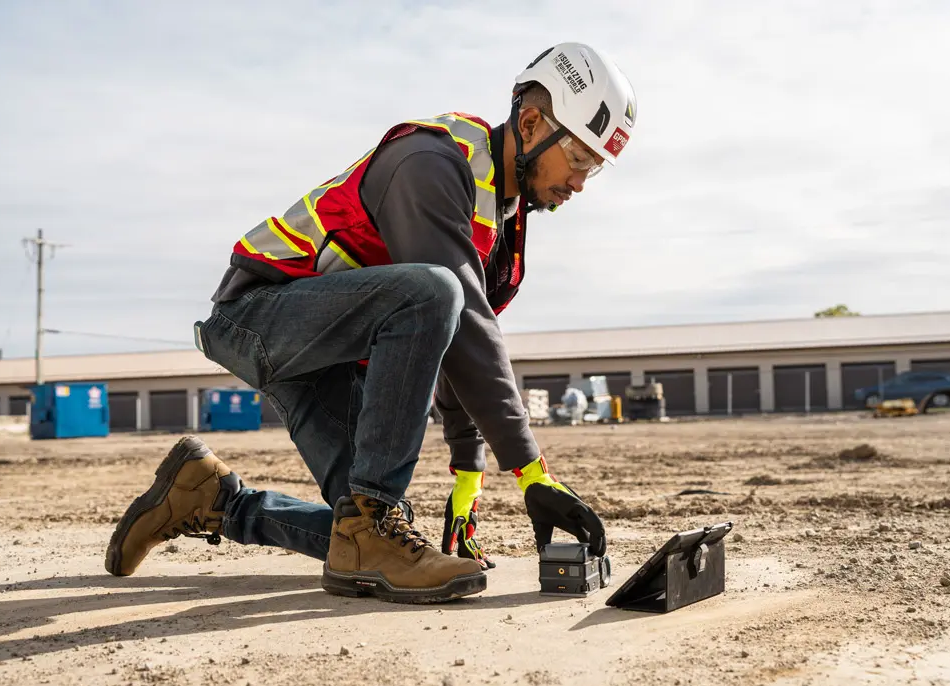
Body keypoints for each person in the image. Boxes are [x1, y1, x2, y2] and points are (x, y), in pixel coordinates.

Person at [105, 41, 638, 604]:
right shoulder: (435, 162)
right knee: (435, 292)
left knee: (362, 528)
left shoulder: (499, 221)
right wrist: (531, 473)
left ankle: (213, 499)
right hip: (259, 313)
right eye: (579, 158)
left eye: (594, 168)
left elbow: (457, 344)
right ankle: (364, 523)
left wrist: (468, 476)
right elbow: (455, 314)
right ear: (531, 124)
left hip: (330, 356)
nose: (580, 182)